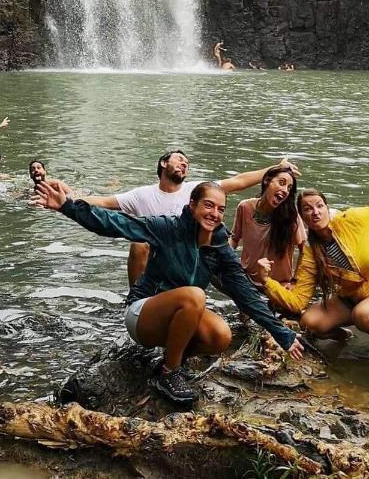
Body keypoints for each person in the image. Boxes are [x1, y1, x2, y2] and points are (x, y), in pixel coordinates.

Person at [32, 179, 304, 405]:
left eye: (221, 209)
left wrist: (282, 333)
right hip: (142, 315)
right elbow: (117, 223)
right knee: (195, 295)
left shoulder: (219, 246)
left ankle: (166, 364)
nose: (214, 214)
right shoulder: (168, 228)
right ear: (192, 205)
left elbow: (244, 292)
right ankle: (170, 373)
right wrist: (68, 207)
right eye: (208, 205)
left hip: (181, 316)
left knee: (221, 335)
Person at [70, 151, 302, 284]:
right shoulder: (141, 195)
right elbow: (105, 202)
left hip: (189, 256)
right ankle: (136, 297)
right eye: (179, 159)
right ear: (163, 163)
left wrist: (275, 168)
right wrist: (66, 201)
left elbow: (239, 181)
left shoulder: (197, 191)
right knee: (139, 243)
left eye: (187, 163)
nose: (184, 164)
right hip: (156, 259)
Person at [257, 189, 369, 344]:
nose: (315, 212)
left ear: (327, 208)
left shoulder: (350, 219)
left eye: (319, 206)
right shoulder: (311, 253)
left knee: (363, 315)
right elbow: (298, 301)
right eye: (308, 209)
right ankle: (346, 337)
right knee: (309, 323)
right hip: (353, 297)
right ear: (302, 218)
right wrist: (266, 281)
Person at [231, 164, 306, 291]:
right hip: (247, 281)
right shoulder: (245, 207)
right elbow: (234, 238)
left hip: (279, 285)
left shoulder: (291, 216)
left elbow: (305, 250)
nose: (285, 190)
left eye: (289, 188)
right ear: (266, 181)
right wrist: (225, 262)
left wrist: (295, 282)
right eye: (281, 183)